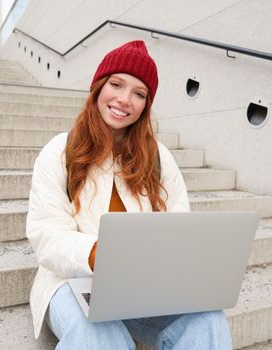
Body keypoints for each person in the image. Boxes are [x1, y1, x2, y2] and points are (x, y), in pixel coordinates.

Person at [26, 40, 232, 350]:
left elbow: (179, 227)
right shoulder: (59, 151)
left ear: (146, 105)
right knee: (97, 331)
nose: (125, 100)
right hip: (71, 281)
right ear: (99, 87)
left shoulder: (159, 157)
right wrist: (98, 254)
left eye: (139, 93)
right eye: (117, 84)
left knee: (208, 318)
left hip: (141, 286)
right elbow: (46, 235)